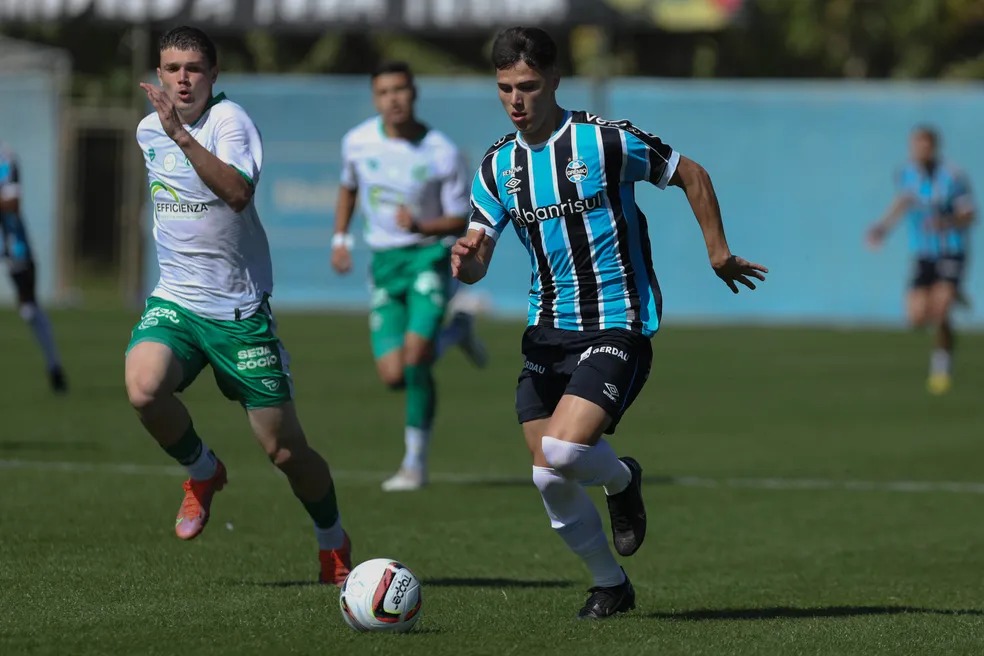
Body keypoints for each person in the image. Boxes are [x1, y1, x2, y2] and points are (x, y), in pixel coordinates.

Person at [452, 26, 767, 619]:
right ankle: (611, 585)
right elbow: (479, 256)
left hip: (617, 323)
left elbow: (690, 174)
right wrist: (468, 261)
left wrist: (718, 250)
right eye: (504, 89)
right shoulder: (496, 167)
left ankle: (622, 480)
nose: (516, 100)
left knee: (566, 454)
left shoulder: (604, 142)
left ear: (554, 81)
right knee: (548, 477)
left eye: (528, 86)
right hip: (546, 331)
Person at [126, 26, 351, 585]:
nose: (182, 79)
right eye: (172, 68)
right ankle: (202, 471)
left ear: (213, 74)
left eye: (193, 69)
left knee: (284, 451)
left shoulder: (230, 123)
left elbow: (237, 193)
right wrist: (170, 133)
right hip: (176, 300)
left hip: (239, 315)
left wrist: (182, 136)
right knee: (143, 388)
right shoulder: (147, 130)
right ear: (159, 73)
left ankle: (332, 539)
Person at [332, 61, 488, 492]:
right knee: (393, 375)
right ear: (375, 98)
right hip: (384, 265)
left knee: (417, 358)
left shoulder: (442, 150)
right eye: (384, 92)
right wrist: (340, 239)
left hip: (427, 259)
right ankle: (457, 330)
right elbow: (348, 187)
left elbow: (462, 218)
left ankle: (414, 465)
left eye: (400, 90)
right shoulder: (358, 142)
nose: (393, 99)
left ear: (414, 93)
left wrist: (422, 226)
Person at [867, 125, 975, 394]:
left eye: (924, 146)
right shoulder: (906, 173)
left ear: (934, 147)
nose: (919, 151)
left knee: (940, 311)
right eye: (915, 145)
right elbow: (903, 202)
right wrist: (883, 227)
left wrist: (947, 222)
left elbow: (970, 214)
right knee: (916, 317)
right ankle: (952, 292)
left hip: (951, 250)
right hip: (923, 254)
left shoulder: (953, 176)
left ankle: (941, 367)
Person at [0, 143, 68, 393]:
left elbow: (13, 203)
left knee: (29, 310)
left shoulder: (5, 160)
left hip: (13, 245)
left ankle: (54, 367)